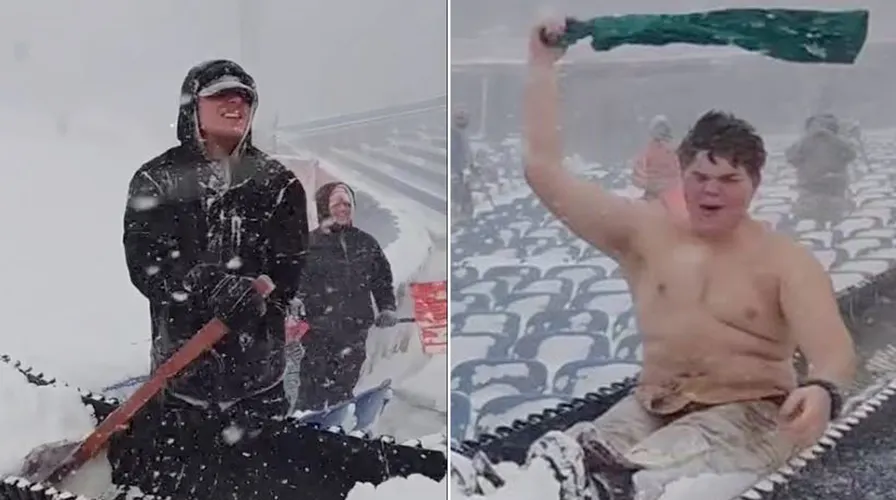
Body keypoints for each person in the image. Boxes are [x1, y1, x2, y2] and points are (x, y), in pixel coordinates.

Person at [516, 19, 857, 500]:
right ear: (682, 175)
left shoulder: (784, 260)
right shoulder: (642, 233)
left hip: (752, 412)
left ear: (754, 185)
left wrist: (824, 389)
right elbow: (543, 171)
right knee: (562, 462)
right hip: (654, 403)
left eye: (728, 180)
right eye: (700, 177)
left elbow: (833, 349)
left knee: (635, 481)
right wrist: (543, 62)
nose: (711, 190)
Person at [116, 59, 308, 496]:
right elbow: (145, 264)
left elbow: (289, 268)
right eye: (222, 95)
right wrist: (202, 287)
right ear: (192, 107)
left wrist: (259, 299)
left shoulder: (279, 184)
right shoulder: (157, 180)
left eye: (244, 98)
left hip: (258, 385)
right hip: (180, 384)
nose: (236, 104)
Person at [294, 181, 398, 410]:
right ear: (324, 207)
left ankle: (337, 423)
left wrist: (387, 307)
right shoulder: (308, 244)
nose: (343, 208)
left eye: (347, 203)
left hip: (354, 332)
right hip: (317, 334)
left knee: (343, 387)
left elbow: (382, 280)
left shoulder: (366, 243)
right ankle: (307, 424)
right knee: (312, 388)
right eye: (337, 203)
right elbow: (294, 283)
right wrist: (297, 304)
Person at [786, 113, 857, 226]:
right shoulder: (805, 143)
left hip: (831, 187)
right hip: (814, 187)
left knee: (835, 218)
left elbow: (851, 154)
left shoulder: (835, 143)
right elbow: (791, 157)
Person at [632, 115, 680, 202]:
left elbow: (637, 177)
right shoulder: (672, 152)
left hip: (661, 196)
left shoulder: (647, 151)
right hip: (662, 196)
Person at [451, 108, 476, 220]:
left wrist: (471, 164)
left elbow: (467, 152)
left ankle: (466, 214)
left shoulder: (463, 133)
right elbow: (455, 153)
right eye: (459, 118)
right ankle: (458, 215)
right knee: (458, 193)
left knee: (465, 193)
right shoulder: (454, 134)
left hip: (464, 170)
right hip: (458, 170)